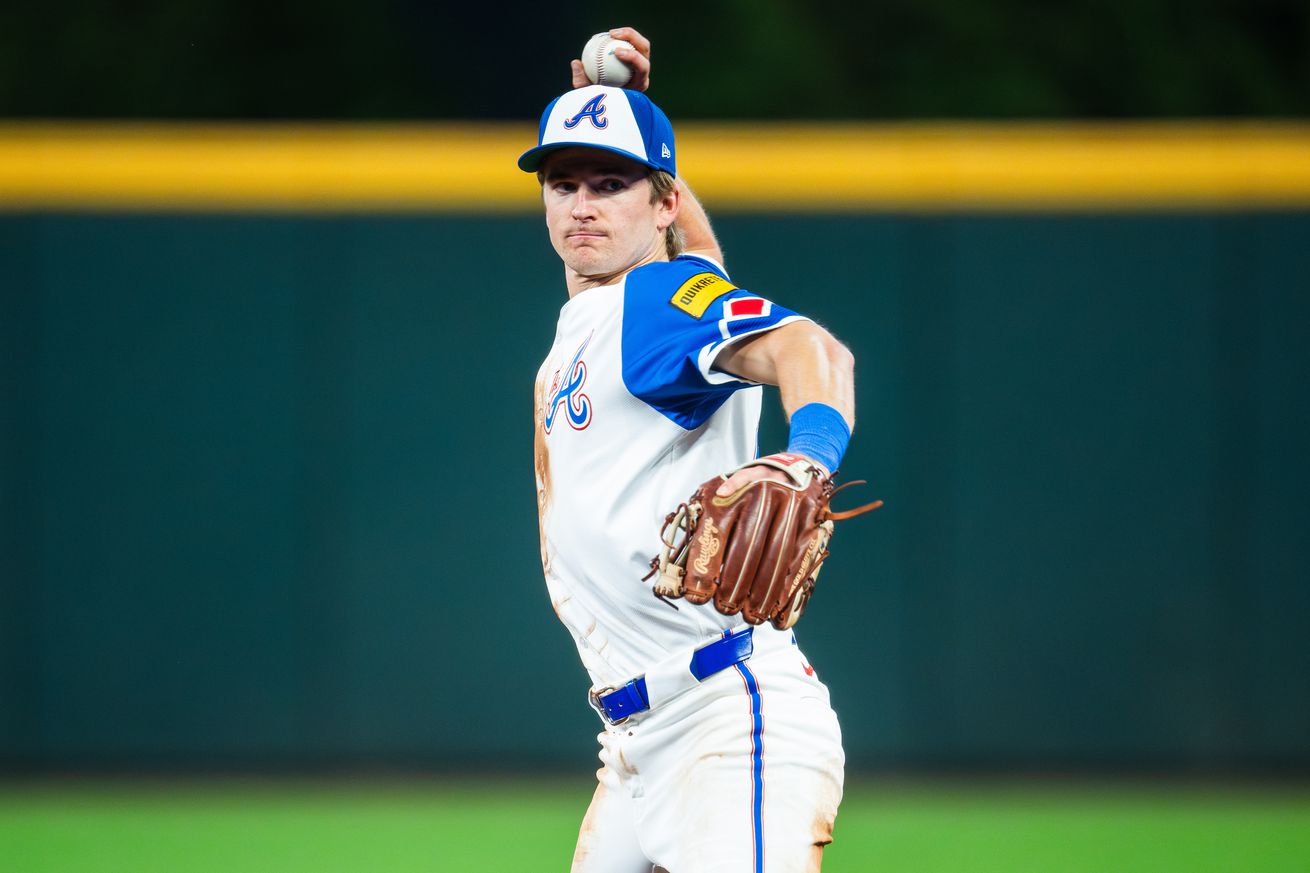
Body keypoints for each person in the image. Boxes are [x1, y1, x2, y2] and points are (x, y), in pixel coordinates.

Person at [522, 28, 859, 873]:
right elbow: (700, 261)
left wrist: (807, 457)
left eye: (612, 183)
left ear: (661, 202)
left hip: (726, 724)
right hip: (635, 742)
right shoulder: (610, 311)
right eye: (564, 185)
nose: (583, 206)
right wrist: (633, 121)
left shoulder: (656, 299)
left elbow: (814, 351)